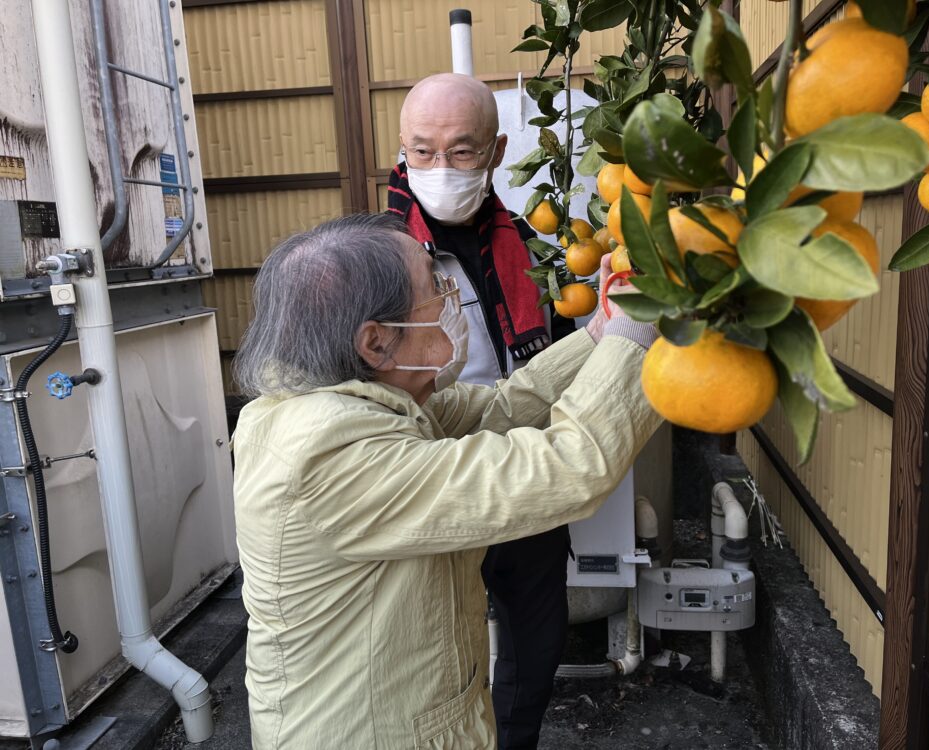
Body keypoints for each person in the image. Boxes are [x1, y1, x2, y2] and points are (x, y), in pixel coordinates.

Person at [231, 213, 660, 748]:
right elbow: (567, 468)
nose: (450, 296)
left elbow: (505, 406)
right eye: (435, 286)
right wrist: (633, 339)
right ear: (376, 342)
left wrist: (598, 335)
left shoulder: (352, 405)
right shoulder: (330, 455)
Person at [387, 73, 577, 748]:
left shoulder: (530, 242)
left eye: (461, 152)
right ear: (402, 150)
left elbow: (564, 340)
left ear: (495, 152)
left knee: (536, 632)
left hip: (522, 464)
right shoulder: (376, 256)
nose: (439, 168)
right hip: (427, 473)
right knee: (433, 640)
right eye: (423, 150)